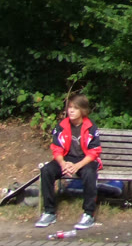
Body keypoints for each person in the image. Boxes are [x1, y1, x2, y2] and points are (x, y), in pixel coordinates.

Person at [35, 94, 102, 231]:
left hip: (85, 160)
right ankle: (49, 212)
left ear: (83, 110)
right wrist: (63, 164)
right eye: (70, 107)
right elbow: (57, 149)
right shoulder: (61, 126)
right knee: (47, 170)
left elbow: (94, 152)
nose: (71, 111)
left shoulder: (90, 127)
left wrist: (77, 166)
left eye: (75, 108)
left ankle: (88, 214)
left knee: (89, 173)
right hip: (66, 159)